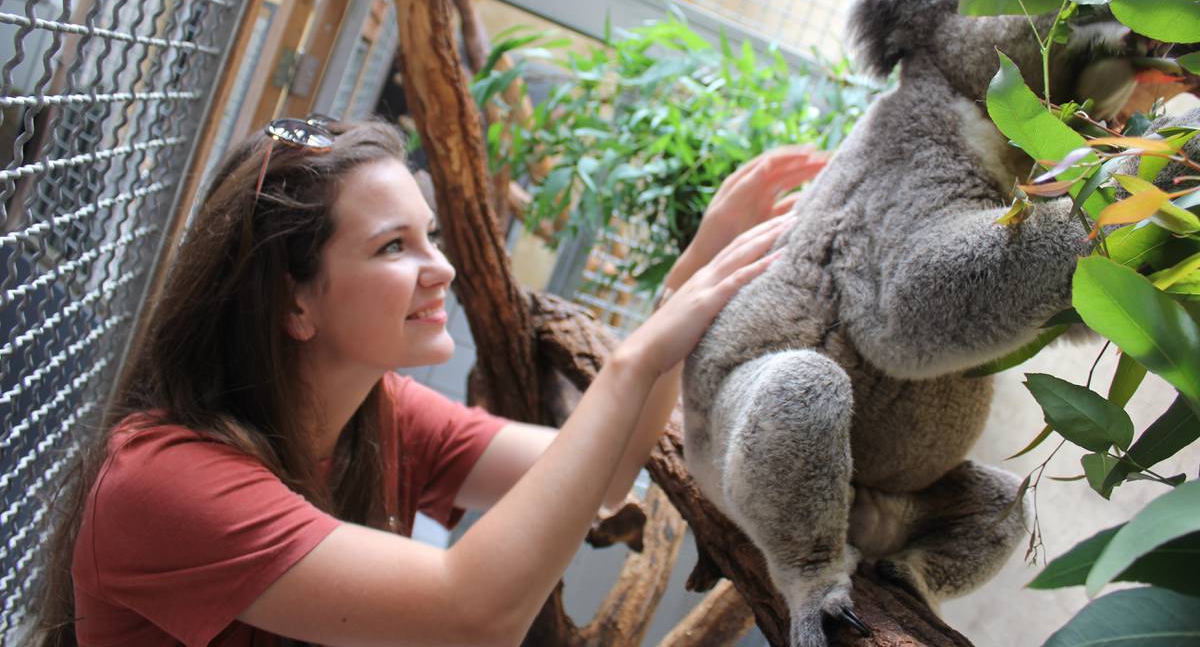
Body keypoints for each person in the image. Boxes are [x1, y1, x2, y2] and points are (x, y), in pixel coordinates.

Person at [36, 116, 825, 646]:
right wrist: (633, 359)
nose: (441, 267)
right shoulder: (160, 481)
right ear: (293, 299)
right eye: (393, 247)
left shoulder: (376, 413)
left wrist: (692, 273)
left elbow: (610, 470)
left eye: (433, 235)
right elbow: (472, 615)